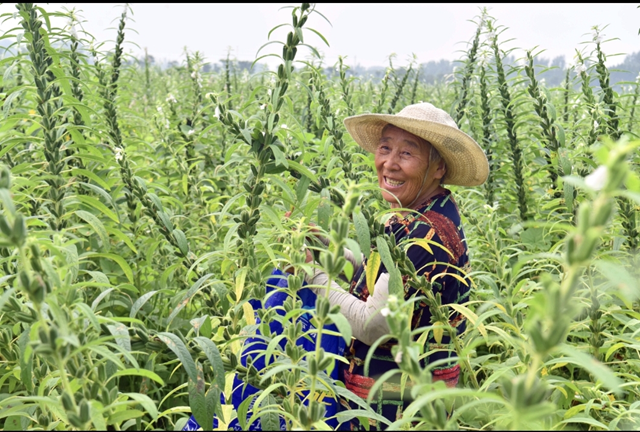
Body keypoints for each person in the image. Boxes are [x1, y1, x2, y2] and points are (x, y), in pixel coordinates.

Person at [301, 102, 489, 430]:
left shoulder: (426, 235)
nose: (389, 163)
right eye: (385, 148)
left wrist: (312, 275)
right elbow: (386, 273)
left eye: (406, 153)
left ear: (439, 167)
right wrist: (330, 251)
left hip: (398, 411)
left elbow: (373, 324)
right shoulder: (422, 212)